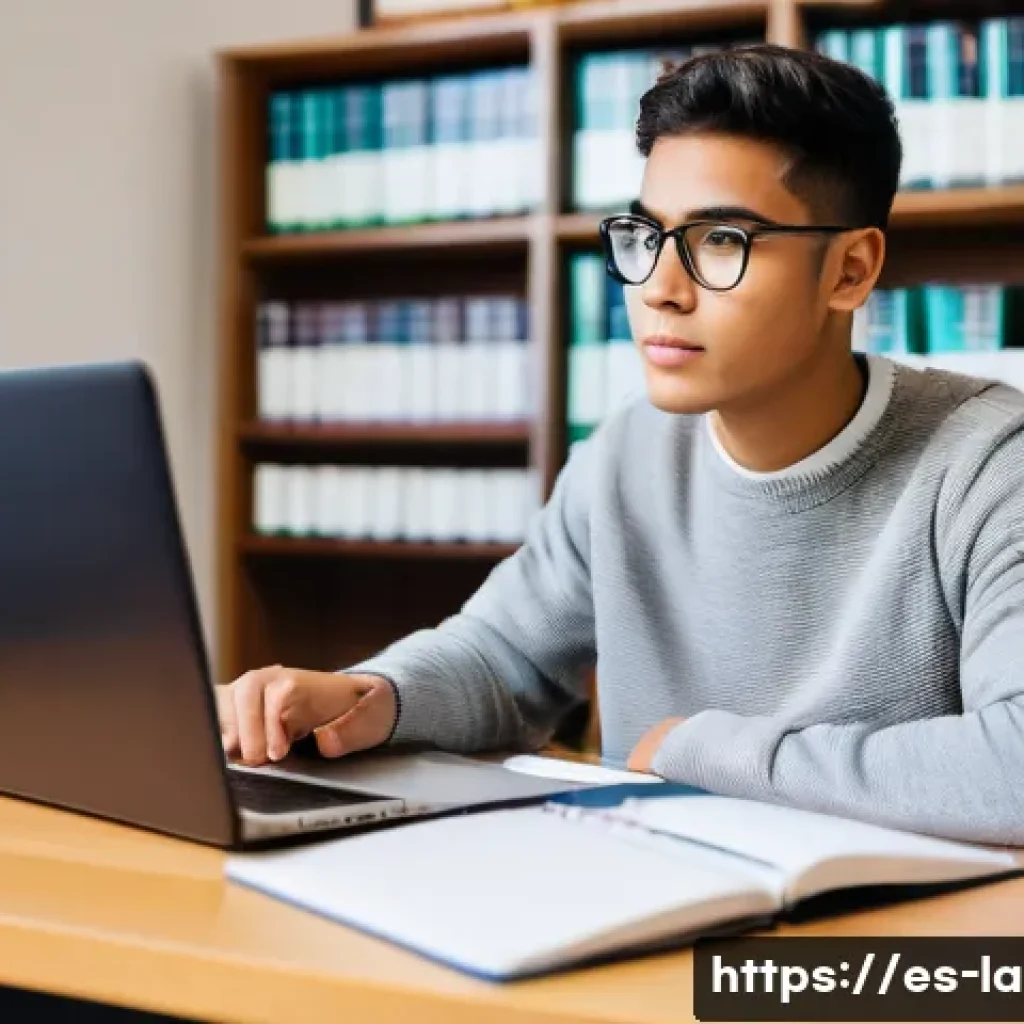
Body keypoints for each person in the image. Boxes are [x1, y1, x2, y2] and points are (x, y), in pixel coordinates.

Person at [217, 43, 1024, 845]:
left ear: (850, 271)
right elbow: (502, 658)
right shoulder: (626, 453)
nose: (660, 291)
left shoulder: (990, 462)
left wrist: (694, 752)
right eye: (647, 235)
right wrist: (363, 697)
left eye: (720, 241)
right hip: (658, 902)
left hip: (896, 960)